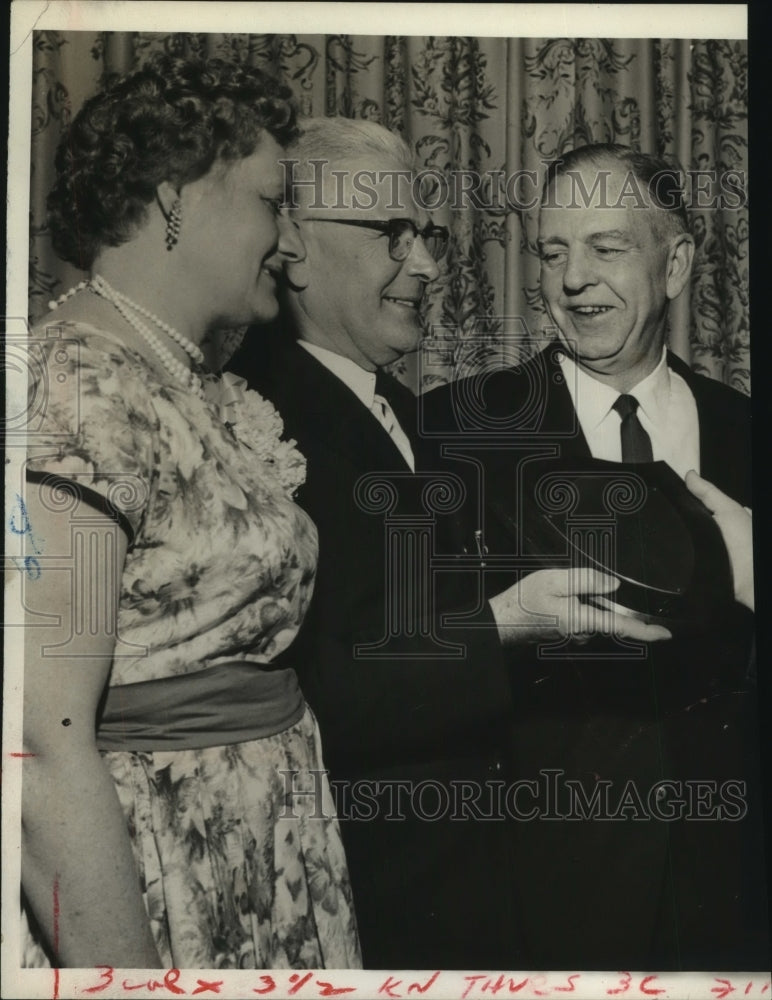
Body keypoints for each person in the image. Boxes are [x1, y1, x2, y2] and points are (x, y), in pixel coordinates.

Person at [227, 120, 669, 969]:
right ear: (294, 244)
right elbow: (305, 695)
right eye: (392, 234)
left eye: (426, 236)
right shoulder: (256, 420)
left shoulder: (412, 417)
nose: (427, 265)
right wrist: (502, 627)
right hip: (368, 905)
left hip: (479, 894)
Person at [20, 56, 360, 970]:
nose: (289, 242)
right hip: (153, 881)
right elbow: (37, 745)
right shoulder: (72, 388)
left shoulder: (192, 385)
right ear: (174, 196)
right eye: (270, 202)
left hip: (262, 859)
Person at [423, 143, 768, 970]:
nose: (573, 279)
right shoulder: (454, 431)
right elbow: (411, 665)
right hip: (539, 896)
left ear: (676, 262)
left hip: (737, 889)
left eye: (606, 248)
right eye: (553, 251)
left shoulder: (749, 432)